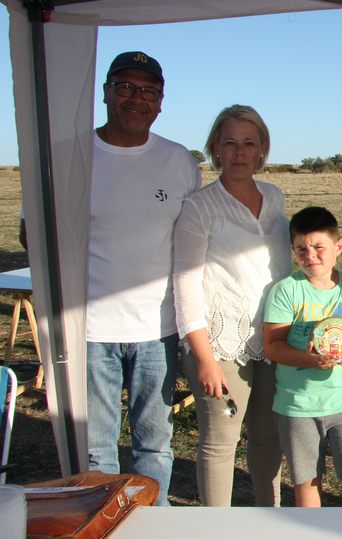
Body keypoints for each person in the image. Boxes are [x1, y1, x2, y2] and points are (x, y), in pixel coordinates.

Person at [85, 51, 201, 506]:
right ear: (107, 92)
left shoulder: (177, 161)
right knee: (96, 449)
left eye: (148, 90)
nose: (137, 98)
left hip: (158, 329)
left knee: (154, 444)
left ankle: (151, 523)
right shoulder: (73, 154)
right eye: (126, 87)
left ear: (160, 102)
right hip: (90, 329)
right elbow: (35, 235)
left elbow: (194, 241)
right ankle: (100, 523)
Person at [172, 104, 289, 506]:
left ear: (261, 151)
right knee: (220, 442)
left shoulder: (274, 197)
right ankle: (216, 527)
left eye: (249, 143)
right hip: (221, 344)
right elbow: (185, 286)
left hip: (273, 340)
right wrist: (203, 358)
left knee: (268, 436)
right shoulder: (199, 207)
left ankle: (268, 519)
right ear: (216, 150)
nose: (240, 152)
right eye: (230, 143)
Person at [263, 206, 342, 508]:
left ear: (338, 247)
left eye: (319, 247)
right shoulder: (285, 291)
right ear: (292, 250)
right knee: (306, 481)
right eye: (301, 249)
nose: (310, 255)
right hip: (296, 405)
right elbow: (273, 345)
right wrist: (310, 359)